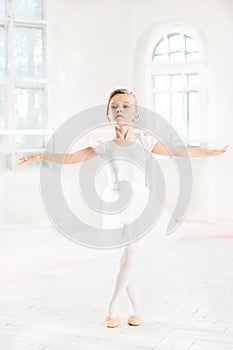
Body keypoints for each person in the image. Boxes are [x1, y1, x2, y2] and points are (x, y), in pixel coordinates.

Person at [18, 88, 229, 328]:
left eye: (126, 106)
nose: (120, 110)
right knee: (124, 256)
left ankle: (112, 307)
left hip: (141, 202)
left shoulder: (145, 142)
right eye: (115, 107)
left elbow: (179, 151)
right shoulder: (103, 145)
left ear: (135, 115)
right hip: (114, 203)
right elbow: (70, 158)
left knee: (129, 252)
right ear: (108, 114)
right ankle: (136, 310)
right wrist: (41, 156)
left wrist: (210, 152)